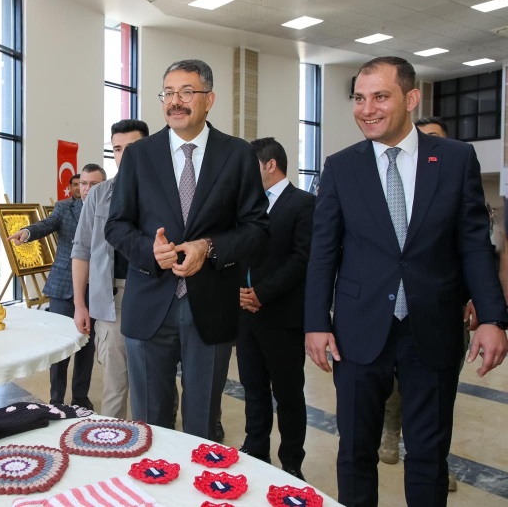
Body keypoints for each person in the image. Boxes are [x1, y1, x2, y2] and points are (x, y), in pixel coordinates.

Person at [304, 56, 508, 506]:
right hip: (357, 331)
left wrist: (493, 316)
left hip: (433, 327)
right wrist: (316, 322)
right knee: (355, 449)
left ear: (411, 98)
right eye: (359, 97)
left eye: (380, 96)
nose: (366, 108)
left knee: (428, 453)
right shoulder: (341, 166)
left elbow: (474, 244)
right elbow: (323, 253)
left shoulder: (454, 160)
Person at [105, 59, 269, 441]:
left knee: (202, 425)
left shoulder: (238, 154)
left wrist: (208, 247)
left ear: (209, 99)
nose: (175, 102)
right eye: (168, 93)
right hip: (149, 306)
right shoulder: (140, 155)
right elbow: (116, 226)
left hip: (210, 308)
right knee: (150, 425)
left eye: (186, 92)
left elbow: (257, 230)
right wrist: (149, 251)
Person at [377, 116, 473, 492]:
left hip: (441, 310)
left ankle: (435, 461)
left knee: (436, 401)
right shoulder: (390, 180)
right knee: (394, 386)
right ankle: (390, 430)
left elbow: (471, 248)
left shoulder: (454, 182)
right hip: (390, 310)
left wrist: (480, 302)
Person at [237, 137, 314, 480]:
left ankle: (292, 461)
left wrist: (262, 293)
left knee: (287, 394)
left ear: (270, 165)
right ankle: (256, 449)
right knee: (252, 388)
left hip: (282, 316)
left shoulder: (304, 204)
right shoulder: (246, 206)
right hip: (245, 315)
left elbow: (302, 259)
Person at [8, 164, 107, 409]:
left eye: (94, 185)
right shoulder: (65, 208)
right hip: (64, 285)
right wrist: (27, 232)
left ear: (104, 186)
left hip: (95, 287)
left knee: (86, 346)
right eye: (83, 183)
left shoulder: (110, 209)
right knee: (60, 346)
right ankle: (56, 399)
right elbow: (46, 224)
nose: (87, 189)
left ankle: (80, 398)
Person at [71, 119, 150, 419]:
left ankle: (153, 451)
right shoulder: (99, 195)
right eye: (117, 149)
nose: (124, 155)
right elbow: (82, 251)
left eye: (131, 148)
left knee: (155, 387)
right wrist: (80, 304)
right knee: (114, 388)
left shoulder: (162, 192)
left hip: (151, 298)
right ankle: (111, 447)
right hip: (112, 299)